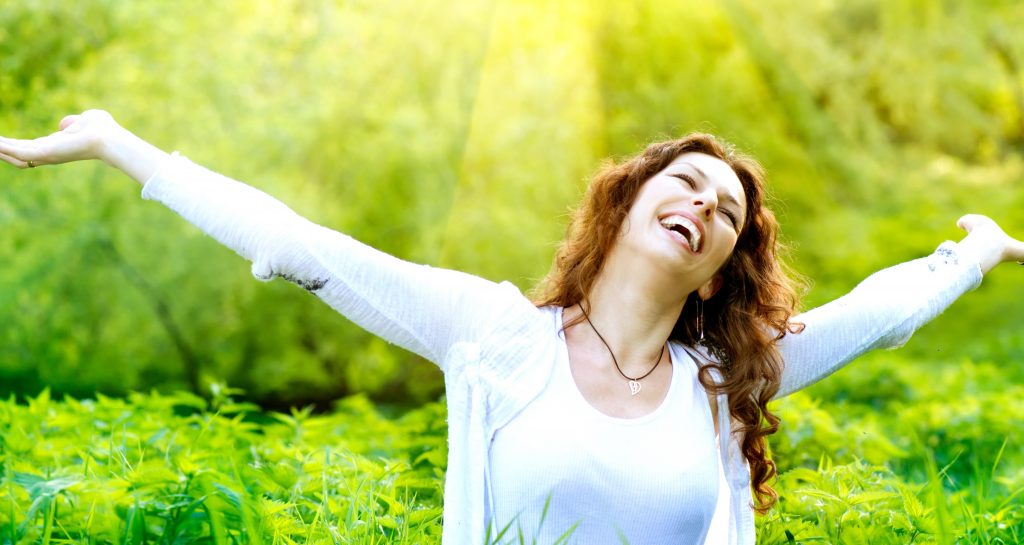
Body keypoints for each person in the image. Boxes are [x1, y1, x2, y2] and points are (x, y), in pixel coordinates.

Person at [1, 110, 1022, 545]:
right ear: (625, 203)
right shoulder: (495, 334)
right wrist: (116, 146)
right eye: (688, 183)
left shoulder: (724, 378)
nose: (707, 206)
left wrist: (975, 250)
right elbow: (299, 244)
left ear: (721, 270)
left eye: (728, 213)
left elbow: (876, 314)